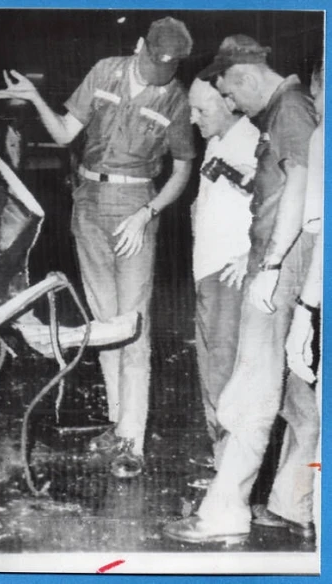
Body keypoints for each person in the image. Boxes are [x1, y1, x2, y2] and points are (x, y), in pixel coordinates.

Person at [0, 17, 196, 478]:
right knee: (104, 325)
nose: (153, 78)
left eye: (164, 72)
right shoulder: (105, 71)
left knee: (133, 325)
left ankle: (133, 441)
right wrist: (35, 99)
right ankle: (117, 422)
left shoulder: (176, 98)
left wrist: (148, 214)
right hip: (87, 202)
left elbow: (182, 169)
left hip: (135, 208)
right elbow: (65, 132)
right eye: (148, 66)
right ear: (139, 46)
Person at [164, 35, 317, 543]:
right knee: (284, 392)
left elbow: (298, 187)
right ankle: (291, 502)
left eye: (228, 91)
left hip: (278, 267)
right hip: (276, 263)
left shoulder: (289, 109)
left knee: (248, 396)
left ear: (246, 76)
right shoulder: (281, 112)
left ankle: (226, 513)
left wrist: (271, 266)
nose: (230, 103)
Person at [248, 57, 323, 543]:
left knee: (308, 394)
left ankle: (301, 507)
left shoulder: (320, 136)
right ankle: (294, 503)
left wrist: (305, 309)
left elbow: (320, 230)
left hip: (314, 279)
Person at [187, 78, 259, 471]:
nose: (193, 117)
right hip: (207, 271)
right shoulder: (216, 140)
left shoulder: (252, 141)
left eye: (203, 110)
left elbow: (276, 201)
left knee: (224, 373)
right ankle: (221, 463)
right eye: (192, 108)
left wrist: (250, 254)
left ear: (230, 103)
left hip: (228, 275)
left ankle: (231, 473)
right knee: (210, 368)